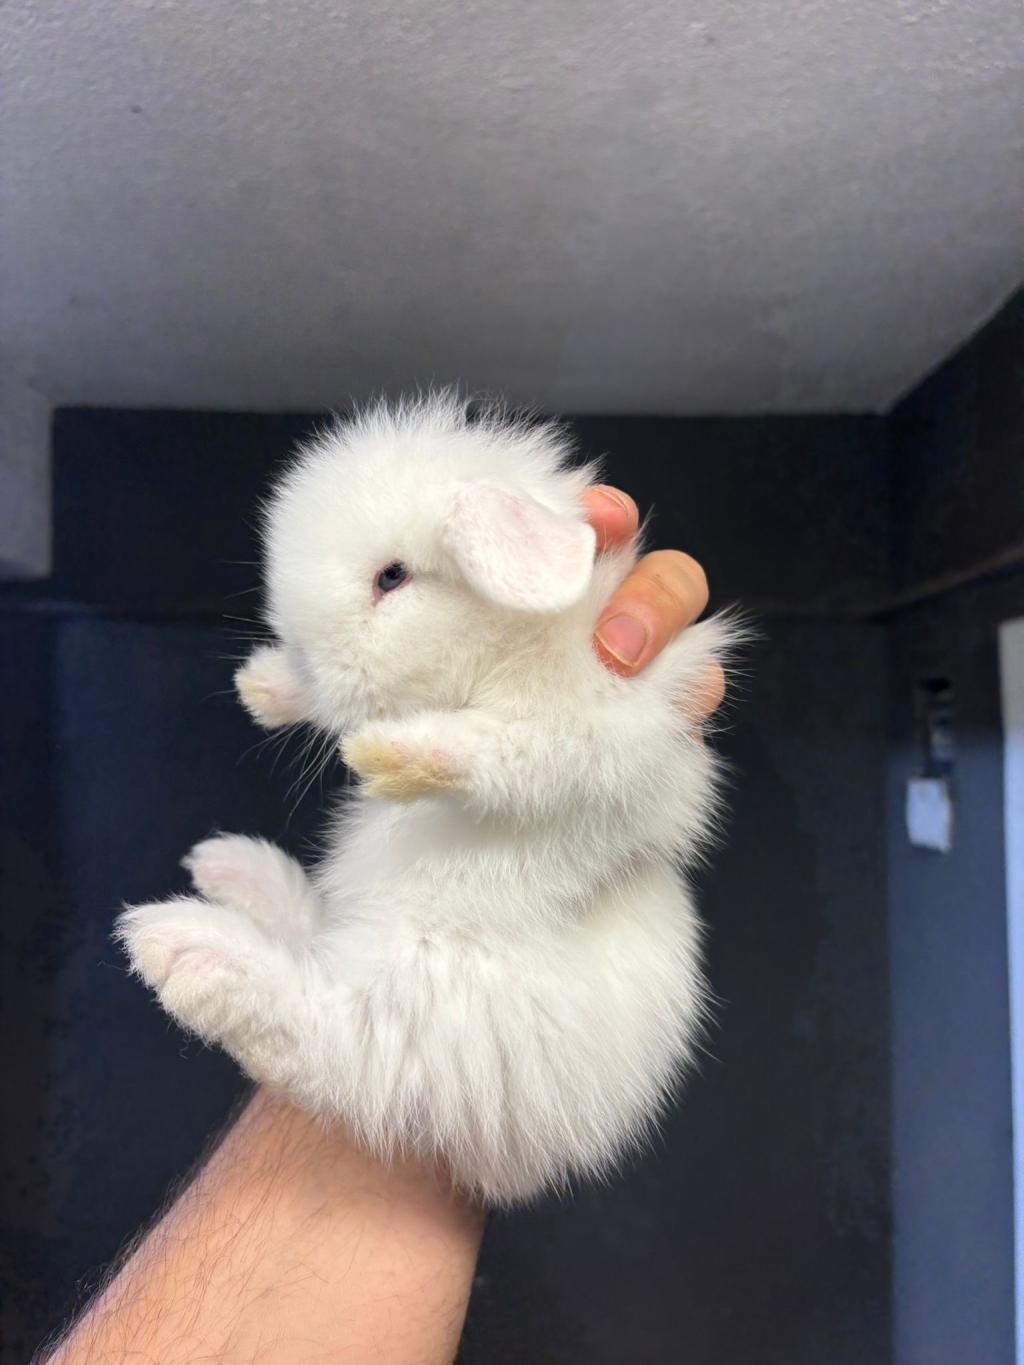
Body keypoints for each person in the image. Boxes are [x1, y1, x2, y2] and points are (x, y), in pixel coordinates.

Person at [47, 485, 723, 1365]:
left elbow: (592, 757)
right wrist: (329, 689)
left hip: (552, 1021)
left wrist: (464, 755)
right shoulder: (488, 646)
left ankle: (319, 1030)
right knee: (421, 864)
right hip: (488, 984)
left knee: (457, 887)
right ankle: (328, 972)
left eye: (390, 581)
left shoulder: (593, 647)